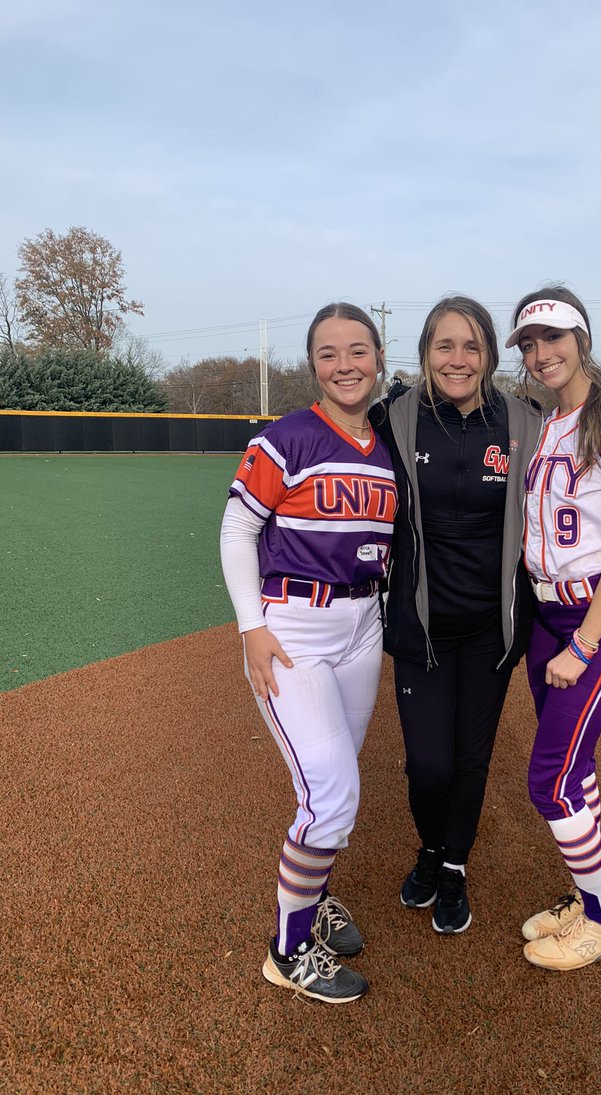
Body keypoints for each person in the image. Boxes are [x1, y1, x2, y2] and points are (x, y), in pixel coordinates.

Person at [219, 302, 397, 1003]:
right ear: (312, 365)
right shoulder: (285, 439)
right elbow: (238, 531)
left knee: (326, 784)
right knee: (332, 795)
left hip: (362, 624)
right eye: (328, 353)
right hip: (292, 626)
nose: (345, 364)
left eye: (358, 350)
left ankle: (312, 893)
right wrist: (250, 627)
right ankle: (287, 951)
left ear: (379, 359)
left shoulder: (384, 443)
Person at [370, 296, 543, 934]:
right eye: (445, 346)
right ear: (425, 353)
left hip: (492, 631)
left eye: (472, 346)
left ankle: (453, 865)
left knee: (472, 758)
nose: (459, 359)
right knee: (427, 764)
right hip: (422, 628)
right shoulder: (394, 418)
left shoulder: (525, 420)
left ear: (491, 356)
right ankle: (429, 845)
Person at [506, 286, 601, 971]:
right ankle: (586, 895)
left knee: (552, 780)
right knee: (577, 765)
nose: (542, 355)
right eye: (530, 345)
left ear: (582, 336)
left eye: (553, 338)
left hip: (595, 618)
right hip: (548, 612)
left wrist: (583, 642)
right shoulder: (546, 427)